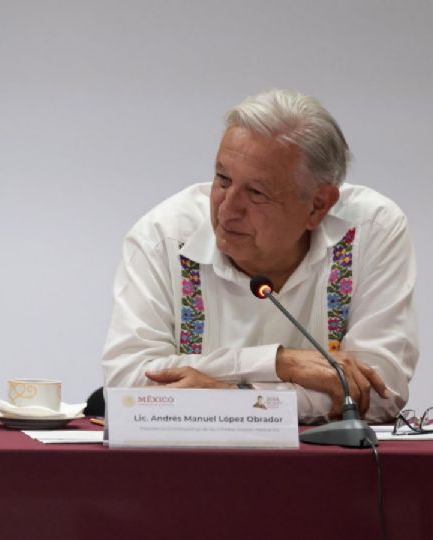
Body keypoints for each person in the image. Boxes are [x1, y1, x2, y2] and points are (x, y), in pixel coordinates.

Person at [101, 89, 418, 424]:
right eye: (223, 179)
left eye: (256, 192)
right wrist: (277, 363)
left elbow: (381, 390)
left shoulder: (371, 229)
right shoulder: (162, 237)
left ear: (318, 205)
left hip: (323, 472)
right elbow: (126, 384)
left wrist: (234, 400)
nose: (227, 208)